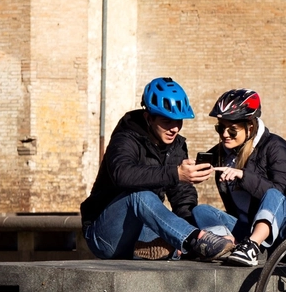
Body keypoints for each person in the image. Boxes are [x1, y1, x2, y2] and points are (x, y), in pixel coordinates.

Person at [81, 77, 235, 261]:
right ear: (148, 118)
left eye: (179, 121)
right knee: (139, 195)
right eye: (167, 121)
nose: (174, 128)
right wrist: (176, 173)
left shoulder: (176, 145)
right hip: (104, 235)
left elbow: (182, 196)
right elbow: (122, 174)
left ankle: (174, 248)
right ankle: (192, 242)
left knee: (201, 223)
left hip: (143, 231)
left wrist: (187, 221)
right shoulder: (126, 138)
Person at [193, 89, 286, 266]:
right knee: (201, 211)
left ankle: (252, 246)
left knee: (273, 194)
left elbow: (281, 193)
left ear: (250, 128)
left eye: (232, 131)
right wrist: (186, 173)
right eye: (220, 128)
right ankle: (227, 244)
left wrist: (243, 176)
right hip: (261, 237)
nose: (224, 135)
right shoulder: (220, 154)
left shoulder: (275, 147)